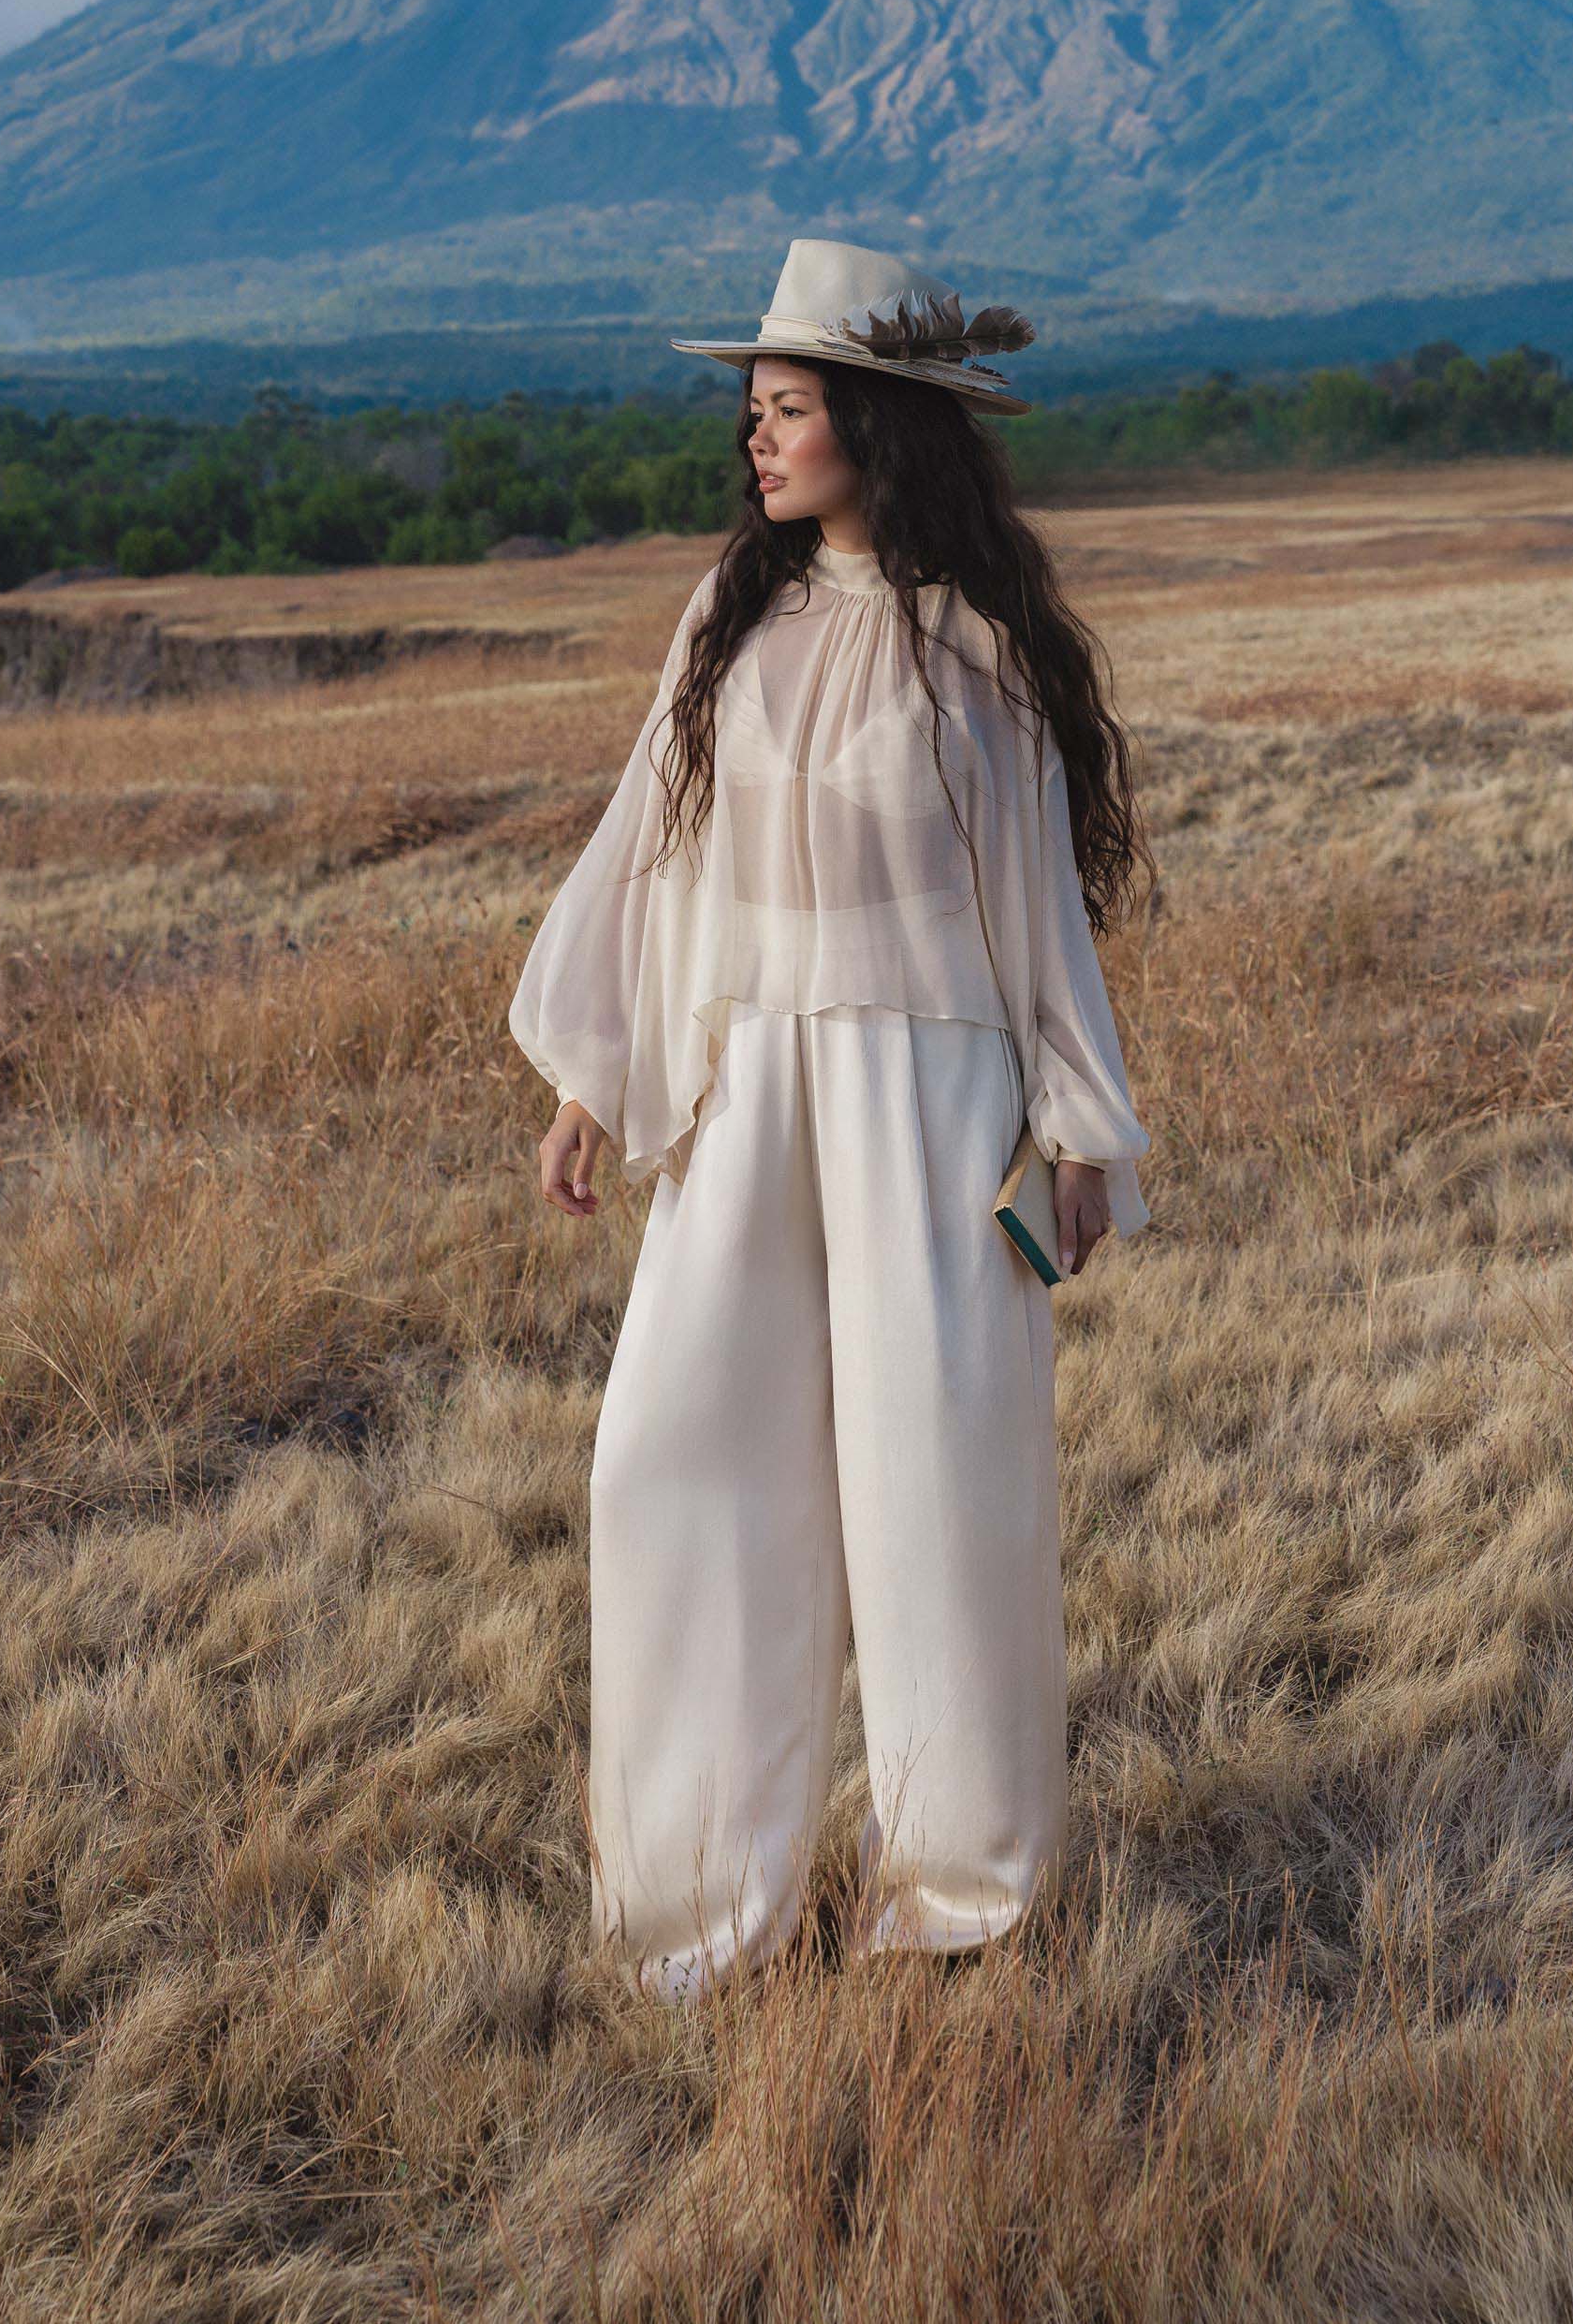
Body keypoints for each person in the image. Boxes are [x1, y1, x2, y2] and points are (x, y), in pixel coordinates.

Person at [508, 236, 1156, 2004]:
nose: (758, 443)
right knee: (673, 1461)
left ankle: (961, 1897)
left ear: (876, 426)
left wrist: (1082, 1137)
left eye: (787, 411)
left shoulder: (979, 659)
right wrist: (593, 1081)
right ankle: (699, 1904)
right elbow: (646, 863)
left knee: (941, 1493)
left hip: (936, 1112)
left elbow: (1039, 921)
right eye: (753, 413)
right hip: (742, 1099)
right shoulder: (730, 626)